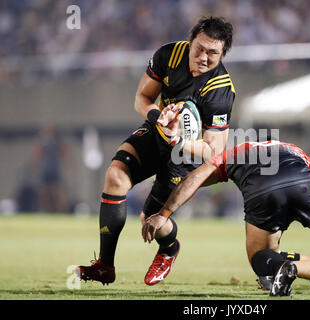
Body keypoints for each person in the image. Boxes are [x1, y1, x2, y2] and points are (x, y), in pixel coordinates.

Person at [76, 16, 235, 285]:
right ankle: (105, 265)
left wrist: (178, 141)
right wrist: (157, 118)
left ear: (222, 54)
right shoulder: (168, 55)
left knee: (151, 220)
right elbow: (142, 98)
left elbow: (212, 151)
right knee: (116, 176)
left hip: (187, 153)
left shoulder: (221, 90)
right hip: (158, 129)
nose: (204, 58)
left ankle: (169, 248)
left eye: (213, 53)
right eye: (199, 48)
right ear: (190, 42)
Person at [142, 140, 310, 296]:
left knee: (258, 256)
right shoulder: (294, 150)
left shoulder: (232, 154)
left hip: (263, 192)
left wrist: (163, 214)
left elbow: (193, 179)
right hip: (302, 181)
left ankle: (279, 268)